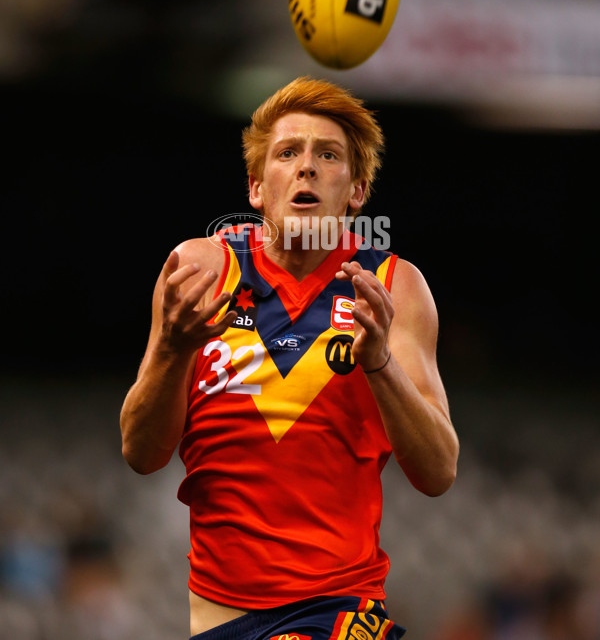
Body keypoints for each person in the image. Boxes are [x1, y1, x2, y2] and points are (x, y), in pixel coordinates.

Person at [120, 76, 459, 640]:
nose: (306, 168)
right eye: (287, 153)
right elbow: (140, 452)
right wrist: (173, 352)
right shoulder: (200, 271)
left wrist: (380, 364)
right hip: (218, 617)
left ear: (356, 189)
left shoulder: (392, 287)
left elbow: (439, 471)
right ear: (257, 188)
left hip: (339, 608)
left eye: (328, 155)